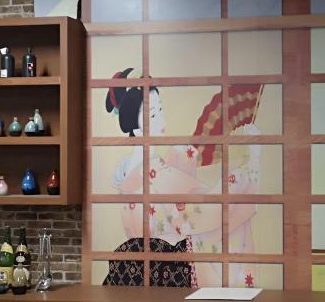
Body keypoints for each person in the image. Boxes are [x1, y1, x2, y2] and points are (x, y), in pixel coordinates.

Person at [103, 70, 261, 286]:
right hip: (169, 275)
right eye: (153, 115)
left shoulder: (128, 175)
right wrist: (250, 166)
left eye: (160, 110)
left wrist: (182, 158)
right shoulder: (155, 172)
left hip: (144, 276)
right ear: (136, 129)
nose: (161, 120)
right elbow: (201, 211)